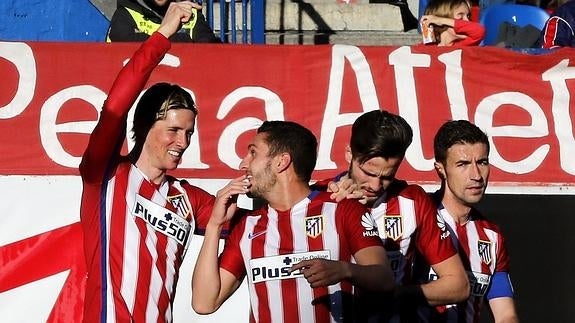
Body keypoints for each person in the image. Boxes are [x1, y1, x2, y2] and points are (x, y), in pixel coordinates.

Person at [79, 2, 217, 321]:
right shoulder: (106, 175)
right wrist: (163, 33)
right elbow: (115, 106)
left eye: (188, 132)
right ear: (143, 127)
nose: (182, 143)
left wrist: (332, 187)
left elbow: (257, 213)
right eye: (173, 130)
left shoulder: (188, 198)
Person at [191, 120, 395, 322]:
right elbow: (204, 303)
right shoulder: (247, 226)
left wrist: (344, 269)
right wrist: (214, 225)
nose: (243, 164)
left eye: (253, 153)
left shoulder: (343, 209)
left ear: (281, 162)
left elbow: (384, 278)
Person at [322, 109, 469, 321]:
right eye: (369, 173)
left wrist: (394, 294)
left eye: (387, 177)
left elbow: (458, 285)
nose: (375, 185)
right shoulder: (320, 198)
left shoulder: (413, 201)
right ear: (349, 154)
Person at [414, 120, 519, 322]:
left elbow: (505, 314)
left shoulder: (492, 237)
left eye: (482, 162)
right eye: (462, 164)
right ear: (440, 169)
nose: (476, 175)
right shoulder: (415, 217)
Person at [106, 0, 220, 43]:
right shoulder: (125, 12)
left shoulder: (191, 15)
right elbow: (126, 45)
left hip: (177, 92)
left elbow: (210, 51)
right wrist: (184, 39)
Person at [420, 0, 486, 46]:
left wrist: (441, 20)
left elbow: (480, 30)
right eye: (460, 18)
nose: (468, 21)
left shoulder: (463, 44)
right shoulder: (428, 47)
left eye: (468, 17)